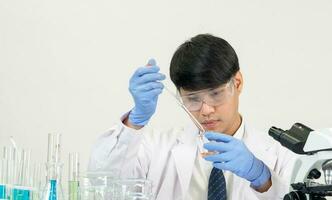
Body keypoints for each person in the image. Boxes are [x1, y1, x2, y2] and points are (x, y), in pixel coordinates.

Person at [88, 34, 296, 200]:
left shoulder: (279, 155)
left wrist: (263, 179)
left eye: (215, 94)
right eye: (193, 99)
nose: (205, 110)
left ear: (238, 83)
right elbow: (103, 185)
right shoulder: (157, 148)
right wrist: (135, 121)